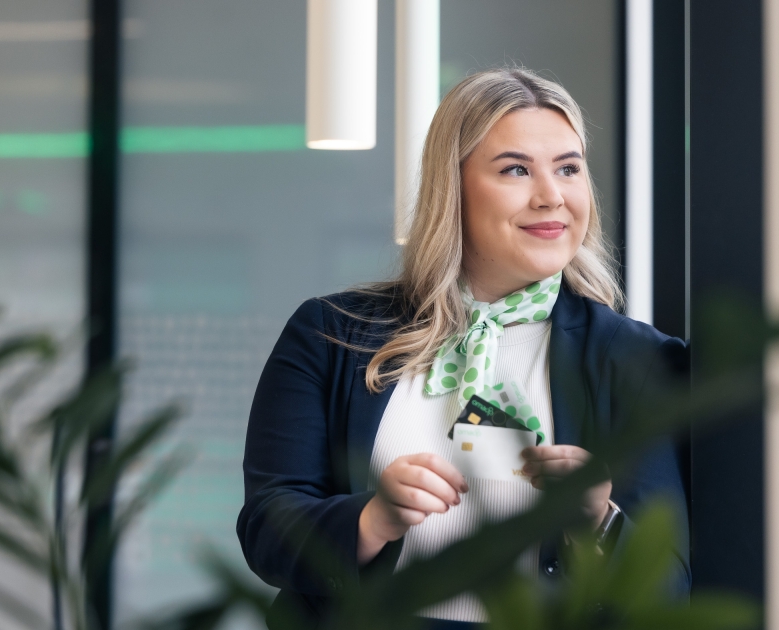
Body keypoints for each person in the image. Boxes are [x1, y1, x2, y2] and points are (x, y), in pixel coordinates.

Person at [237, 68, 689, 629]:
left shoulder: (639, 361)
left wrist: (600, 518)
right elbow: (267, 529)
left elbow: (671, 589)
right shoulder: (330, 333)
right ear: (452, 188)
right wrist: (372, 520)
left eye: (568, 168)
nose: (551, 196)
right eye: (516, 169)